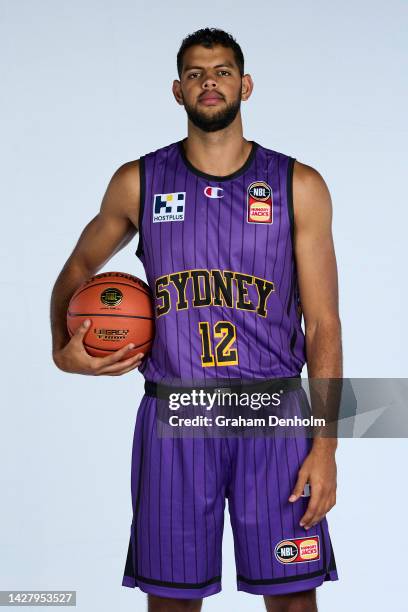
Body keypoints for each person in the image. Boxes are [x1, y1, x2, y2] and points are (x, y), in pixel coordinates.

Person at [50, 27, 341, 612]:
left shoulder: (298, 185)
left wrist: (328, 445)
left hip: (274, 417)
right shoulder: (139, 181)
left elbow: (325, 326)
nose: (211, 81)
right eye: (197, 73)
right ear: (178, 91)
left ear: (246, 85)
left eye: (224, 71)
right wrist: (64, 347)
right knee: (173, 602)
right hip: (176, 415)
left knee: (291, 601)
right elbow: (80, 264)